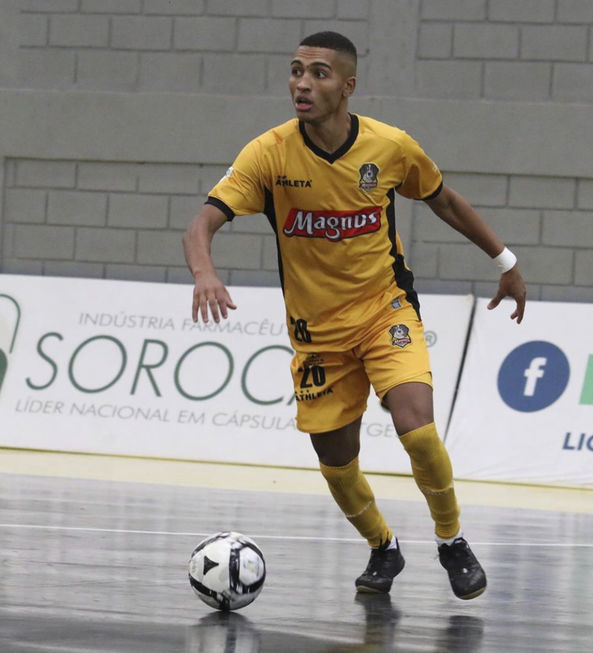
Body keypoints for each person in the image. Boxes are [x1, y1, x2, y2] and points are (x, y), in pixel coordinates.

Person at [183, 31, 526, 599]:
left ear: (348, 85)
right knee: (336, 459)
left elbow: (443, 199)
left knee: (416, 428)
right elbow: (202, 223)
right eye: (296, 70)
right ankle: (383, 547)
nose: (302, 82)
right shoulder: (267, 153)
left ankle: (452, 540)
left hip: (384, 311)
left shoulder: (390, 147)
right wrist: (204, 272)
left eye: (318, 73)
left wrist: (505, 260)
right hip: (317, 337)